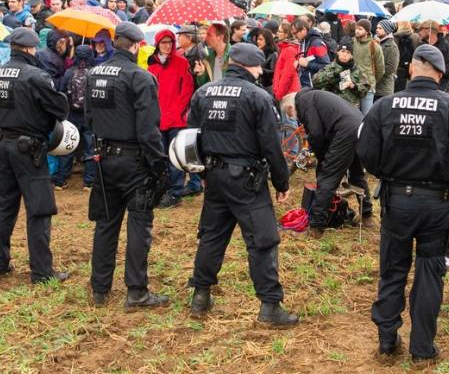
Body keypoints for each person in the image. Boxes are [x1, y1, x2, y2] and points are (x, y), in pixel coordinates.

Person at [357, 44, 449, 362]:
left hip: (397, 201)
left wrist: (389, 172)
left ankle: (387, 339)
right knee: (429, 271)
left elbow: (366, 154)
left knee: (393, 269)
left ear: (411, 69)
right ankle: (422, 348)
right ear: (440, 74)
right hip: (437, 202)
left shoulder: (385, 106)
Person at [186, 42, 297, 326]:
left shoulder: (204, 92)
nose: (261, 71)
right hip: (246, 180)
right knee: (263, 240)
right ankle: (270, 306)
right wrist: (281, 180)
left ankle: (200, 295)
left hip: (214, 176)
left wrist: (201, 172)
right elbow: (271, 145)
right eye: (260, 66)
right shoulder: (258, 97)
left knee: (212, 235)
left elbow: (192, 136)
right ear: (250, 66)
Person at [85, 22, 170, 309]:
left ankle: (100, 288)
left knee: (106, 223)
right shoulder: (140, 77)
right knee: (139, 224)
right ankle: (136, 291)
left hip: (103, 156)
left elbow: (88, 118)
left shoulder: (94, 74)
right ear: (135, 46)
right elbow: (149, 129)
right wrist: (159, 165)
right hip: (133, 160)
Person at [0, 28, 70, 283]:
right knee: (40, 209)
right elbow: (59, 108)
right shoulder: (36, 75)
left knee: (3, 206)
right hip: (29, 148)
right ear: (31, 48)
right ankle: (42, 271)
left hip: (3, 145)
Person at [291, 88, 372, 233]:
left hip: (345, 130)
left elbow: (316, 134)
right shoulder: (315, 97)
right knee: (356, 173)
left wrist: (323, 160)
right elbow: (324, 130)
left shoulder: (304, 101)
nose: (296, 118)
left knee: (327, 178)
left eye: (292, 114)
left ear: (292, 107)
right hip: (359, 125)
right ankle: (366, 215)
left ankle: (316, 226)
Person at [147, 29, 196, 206]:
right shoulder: (152, 66)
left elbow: (188, 88)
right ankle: (164, 188)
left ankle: (175, 192)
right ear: (158, 44)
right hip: (159, 118)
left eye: (170, 42)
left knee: (175, 155)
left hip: (176, 118)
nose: (167, 46)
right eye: (164, 43)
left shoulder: (181, 63)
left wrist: (179, 110)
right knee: (161, 155)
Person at [313, 39, 371, 109]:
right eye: (342, 51)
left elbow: (364, 91)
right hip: (332, 107)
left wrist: (353, 86)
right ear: (337, 52)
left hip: (351, 109)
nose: (344, 55)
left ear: (351, 55)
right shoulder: (330, 68)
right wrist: (334, 74)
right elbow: (315, 82)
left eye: (348, 52)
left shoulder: (357, 70)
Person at [350, 19, 384, 114]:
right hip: (352, 85)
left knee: (366, 115)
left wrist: (372, 80)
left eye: (360, 29)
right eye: (356, 28)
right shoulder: (352, 42)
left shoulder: (374, 46)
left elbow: (380, 68)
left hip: (368, 86)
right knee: (353, 115)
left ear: (367, 31)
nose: (357, 31)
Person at [373, 19, 399, 101]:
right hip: (375, 87)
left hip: (384, 89)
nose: (377, 30)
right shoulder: (376, 43)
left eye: (380, 28)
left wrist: (375, 71)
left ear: (387, 30)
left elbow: (391, 68)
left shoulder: (392, 47)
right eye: (377, 28)